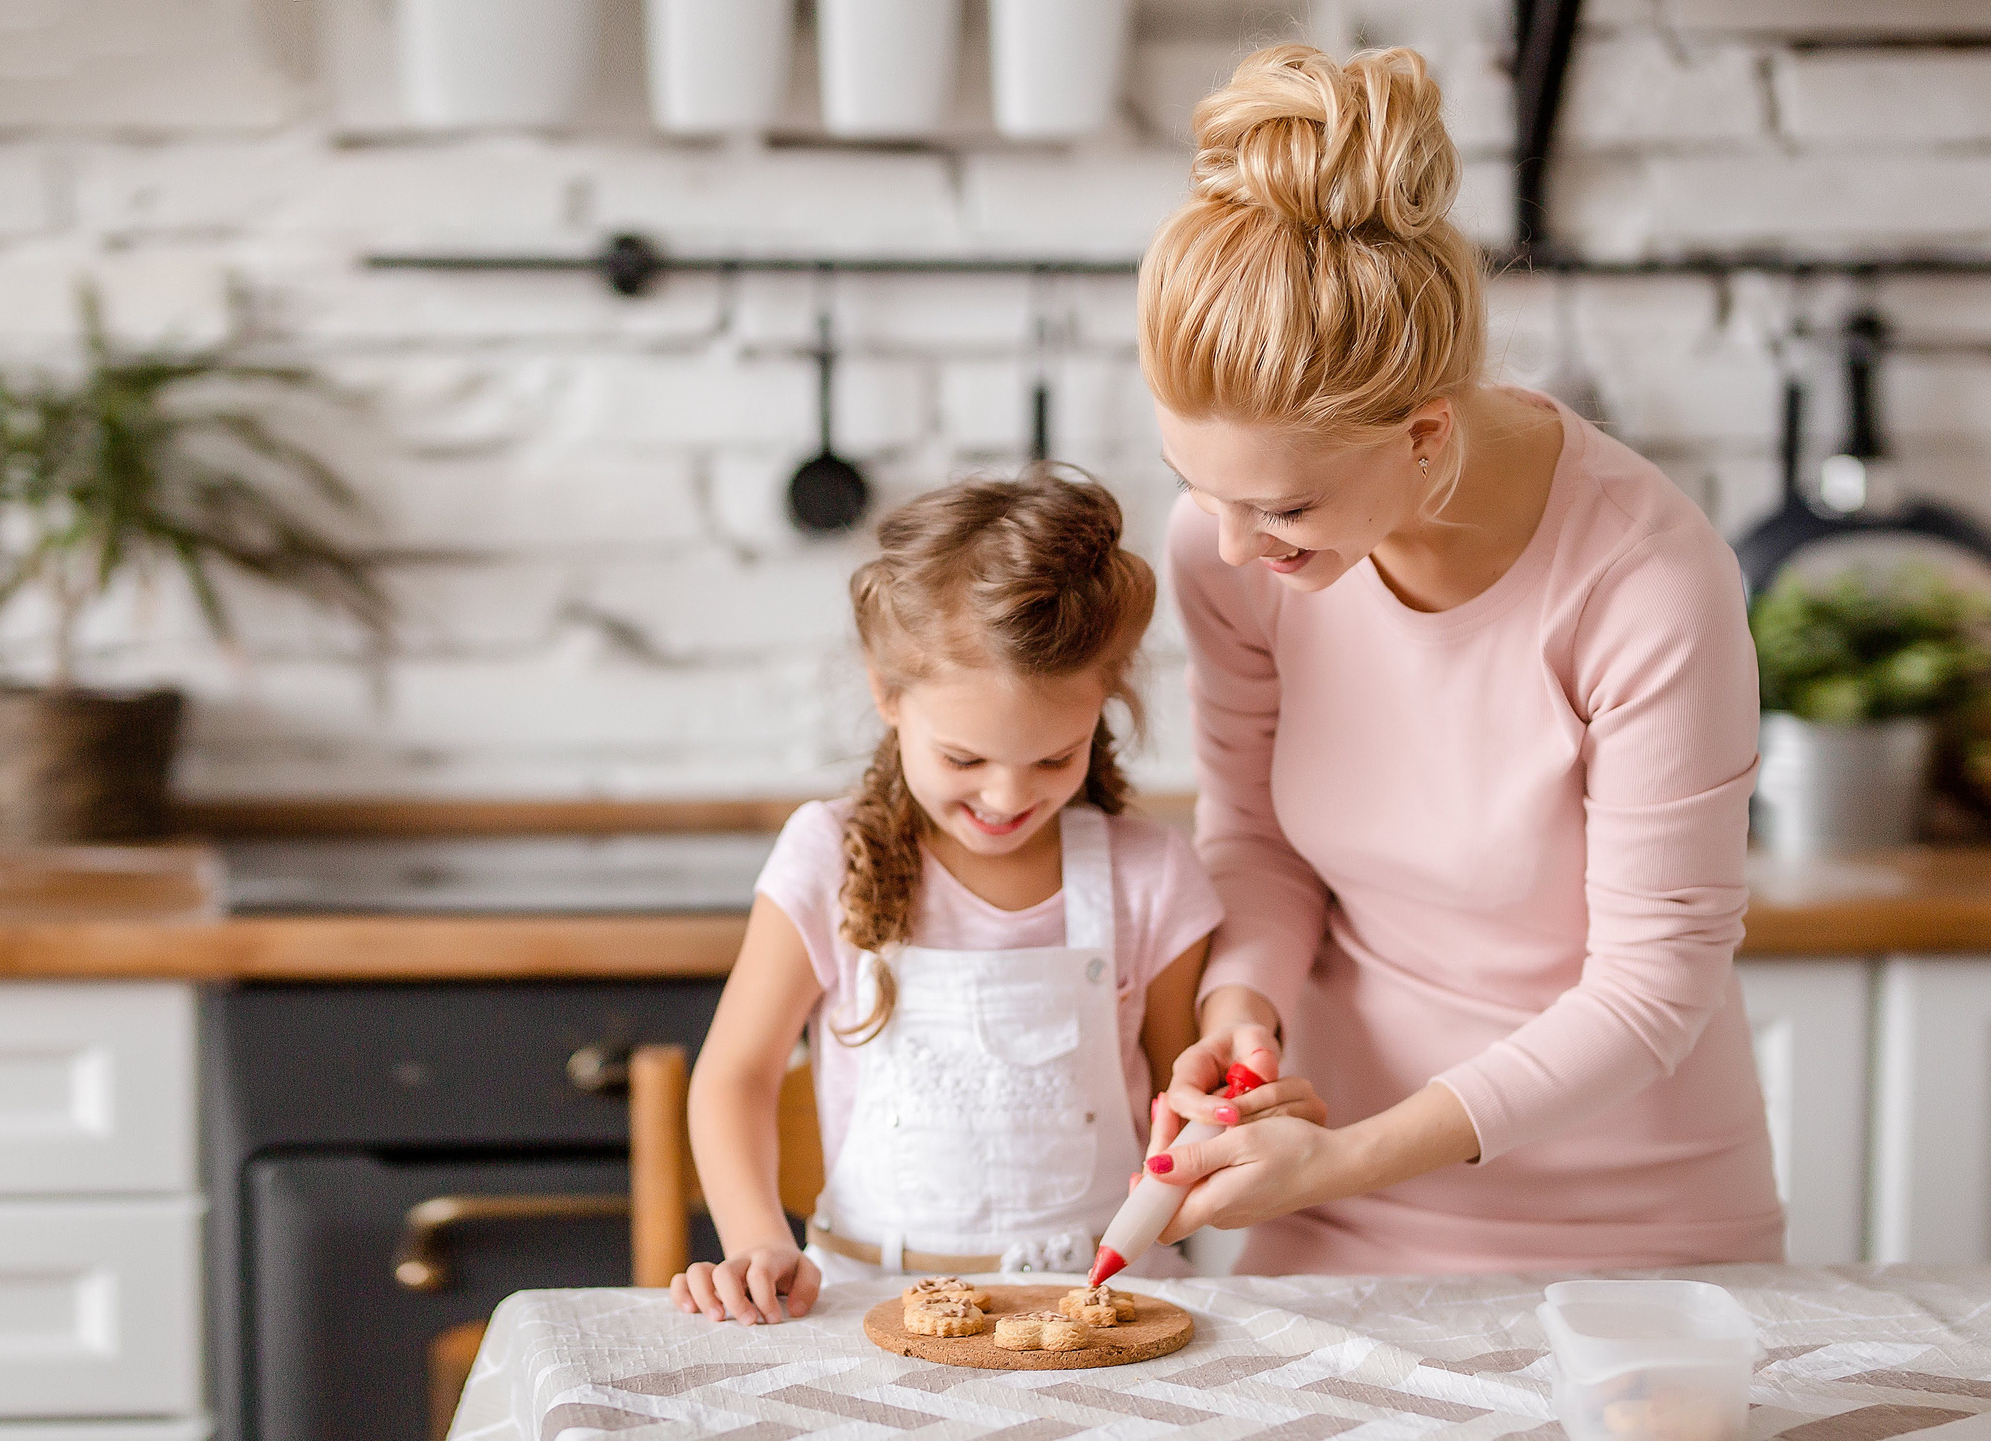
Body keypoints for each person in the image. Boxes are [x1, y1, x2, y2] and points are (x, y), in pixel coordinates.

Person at [1135, 45, 1786, 1273]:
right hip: (1324, 1194)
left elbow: (1652, 989)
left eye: (1281, 509)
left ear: (1424, 433)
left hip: (1635, 1223)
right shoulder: (1232, 557)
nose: (1229, 544)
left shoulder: (1644, 580)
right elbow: (1257, 846)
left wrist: (1350, 1152)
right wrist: (1243, 1007)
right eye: (1196, 489)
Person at [672, 468, 1324, 1324]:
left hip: (1111, 1309)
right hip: (872, 1308)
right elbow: (737, 1074)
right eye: (965, 759)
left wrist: (1233, 1112)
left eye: (1056, 758)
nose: (1009, 797)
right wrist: (759, 1237)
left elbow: (1181, 1102)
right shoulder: (825, 855)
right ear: (886, 692)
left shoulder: (1149, 875)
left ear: (1106, 702)